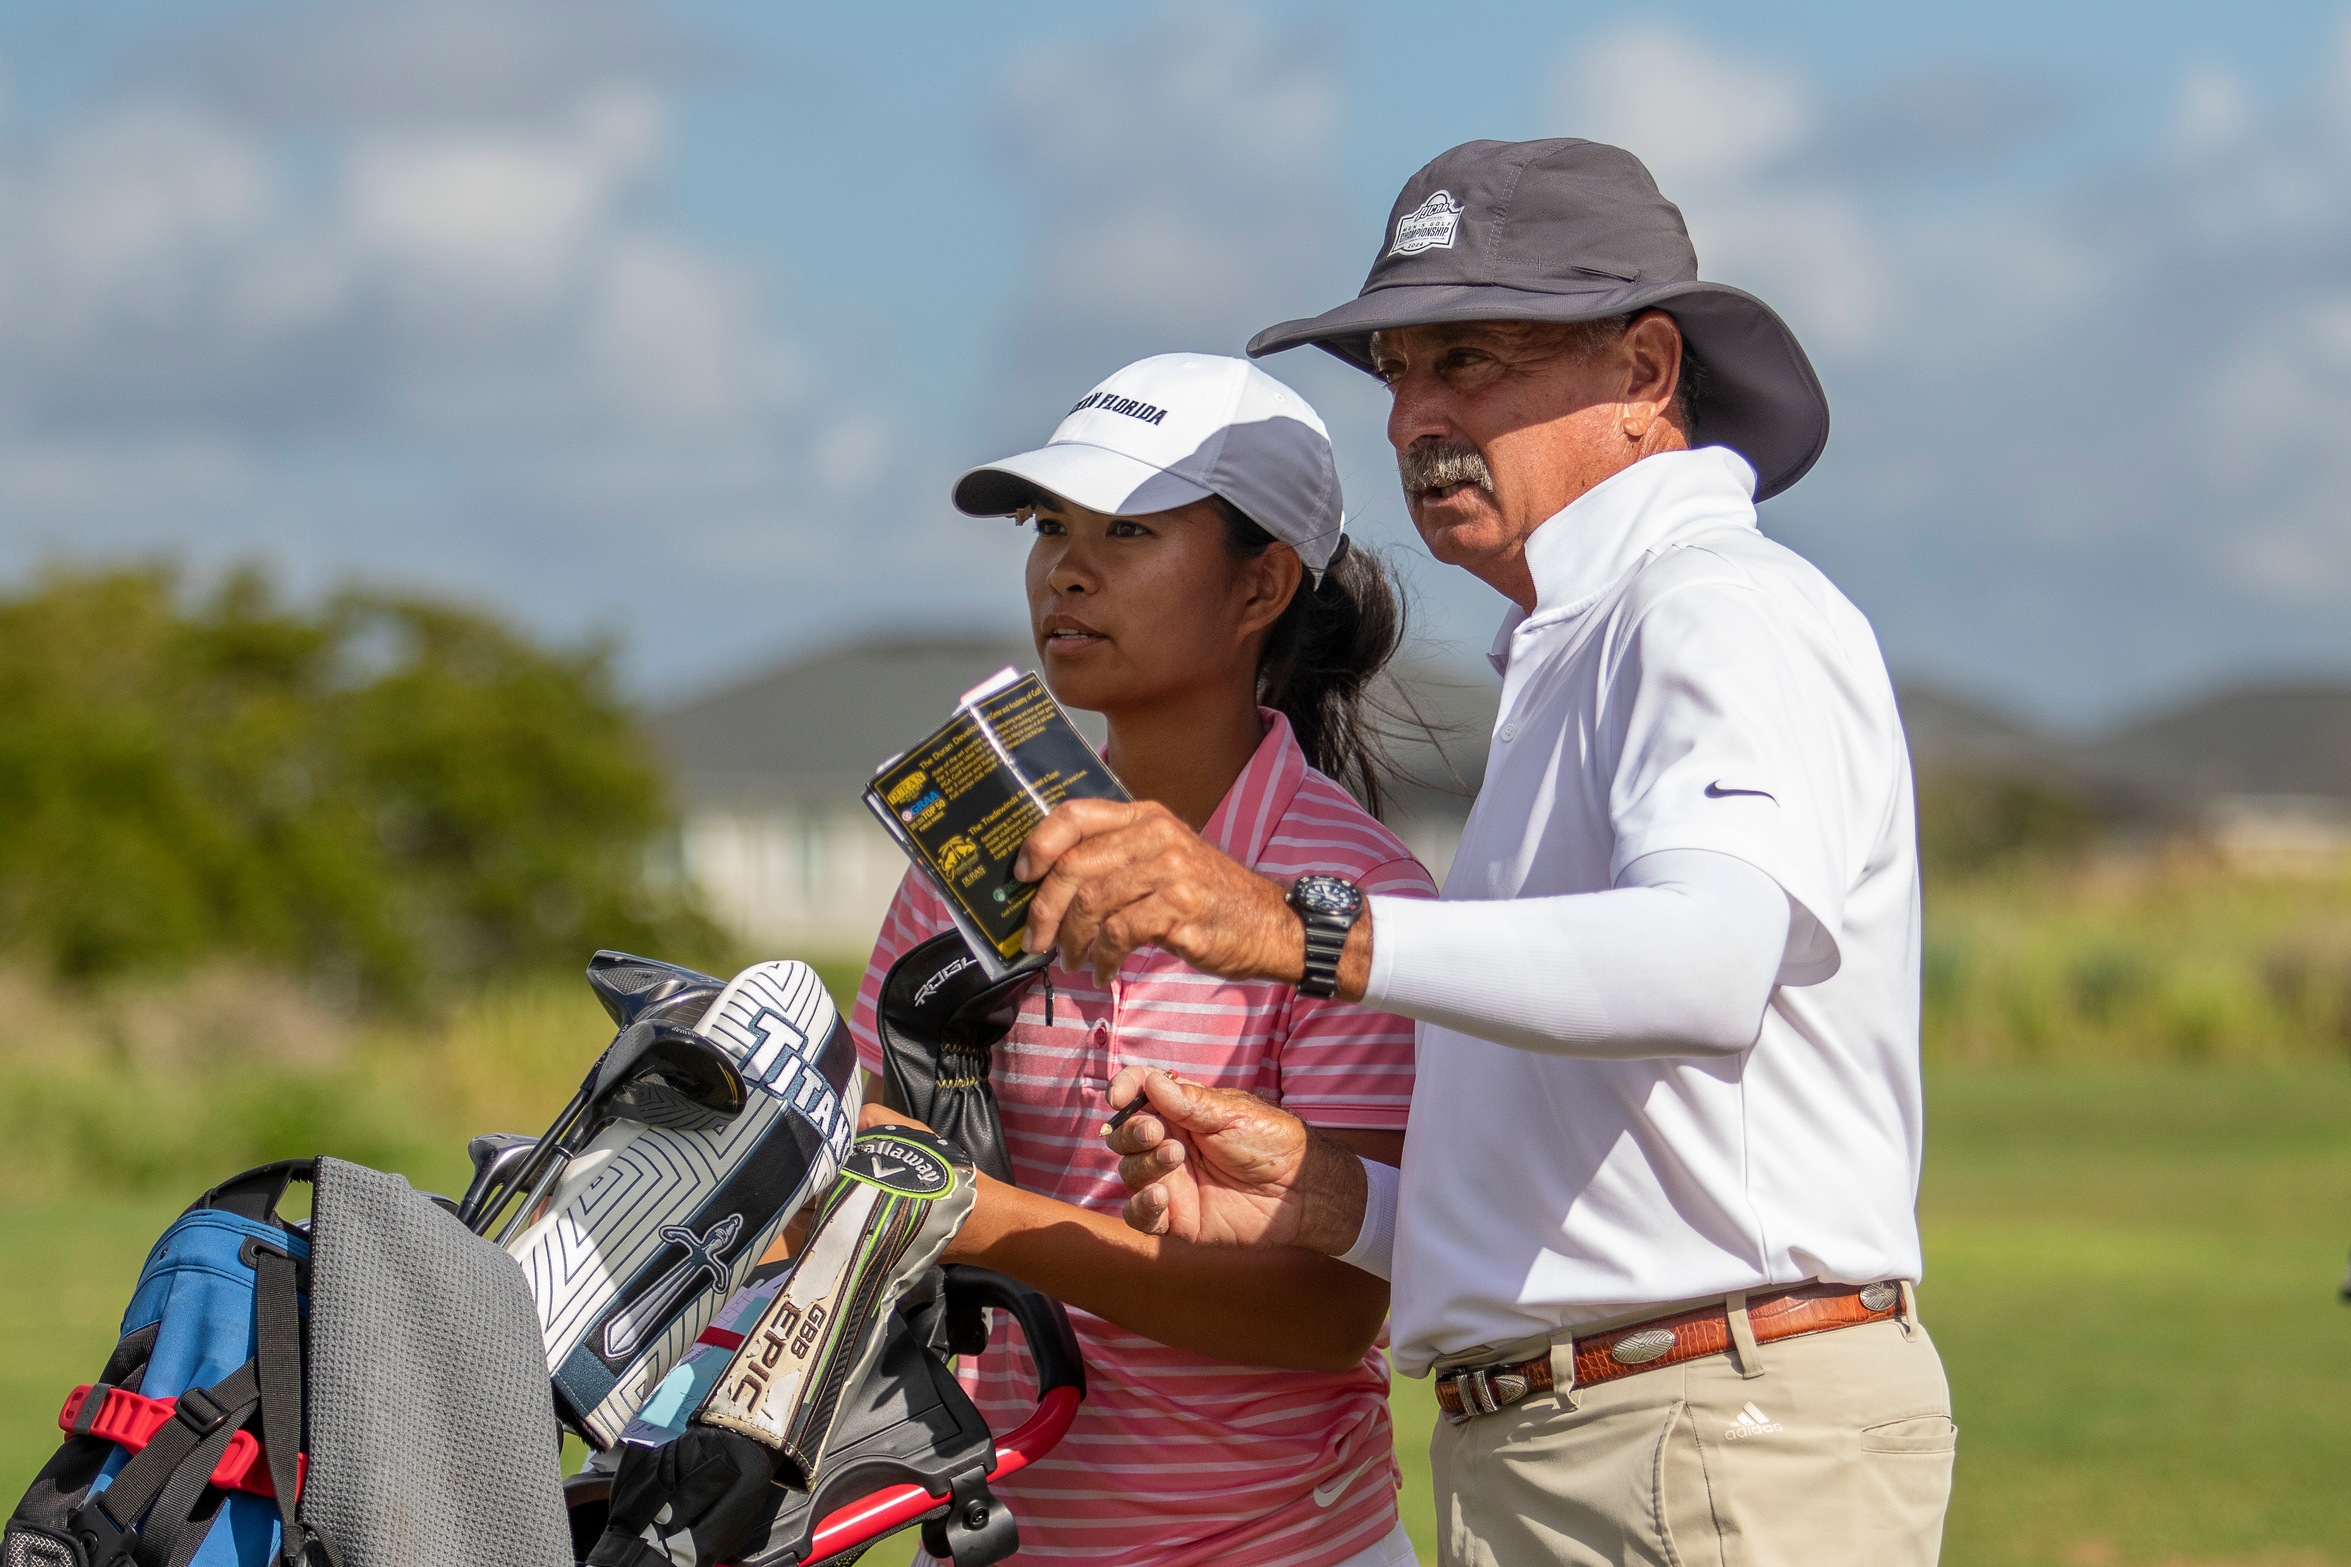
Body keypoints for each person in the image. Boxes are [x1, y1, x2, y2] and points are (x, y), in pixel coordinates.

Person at [1018, 140, 1956, 1565]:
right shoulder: (1582, 644)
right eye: (1395, 370)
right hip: (1611, 1428)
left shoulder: (1709, 606)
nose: (1409, 417)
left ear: (1645, 370)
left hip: (1700, 1424)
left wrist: (1293, 923)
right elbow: (1613, 1177)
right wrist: (1332, 1197)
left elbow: (1705, 962)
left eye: (1466, 360)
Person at [848, 352, 1436, 1567]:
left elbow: (1329, 1311)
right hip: (994, 1532)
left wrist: (981, 1220)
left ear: (1261, 582)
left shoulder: (1352, 899)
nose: (1066, 566)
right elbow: (863, 1145)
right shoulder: (971, 849)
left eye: (1127, 528)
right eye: (1048, 524)